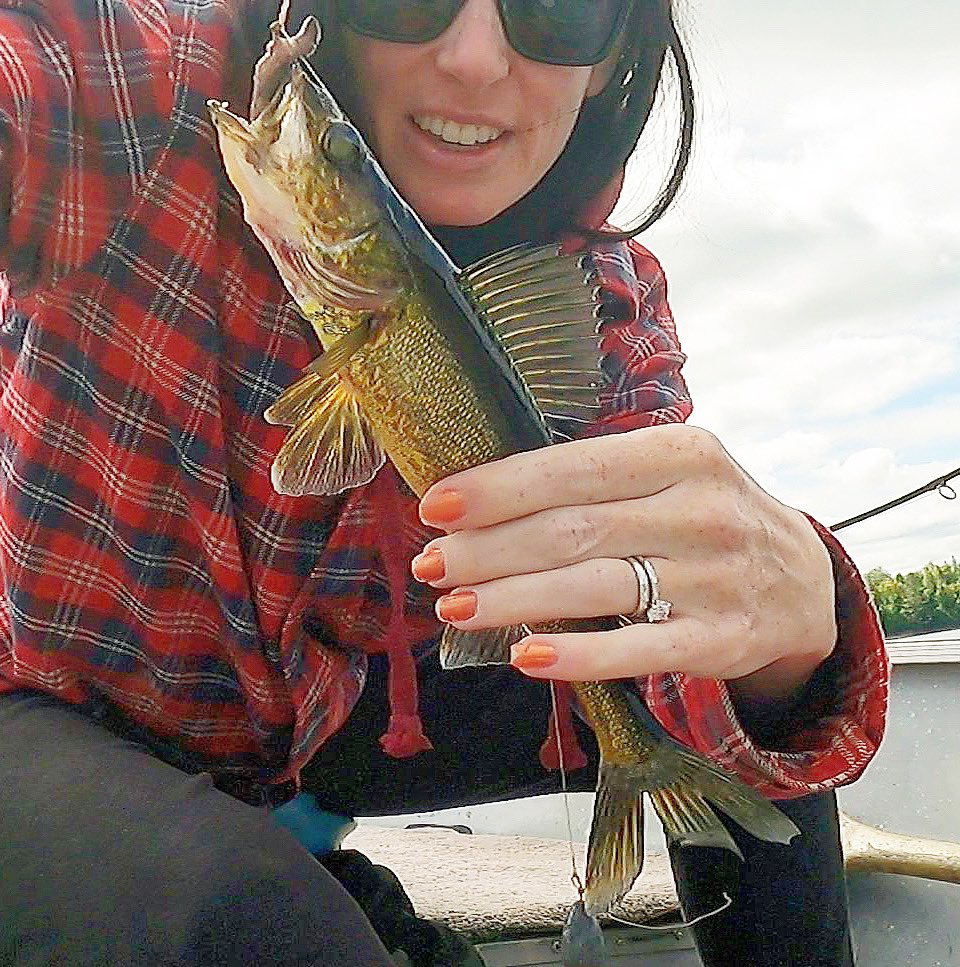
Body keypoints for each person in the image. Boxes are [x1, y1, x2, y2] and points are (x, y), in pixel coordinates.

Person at [0, 1, 888, 965]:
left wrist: (790, 626)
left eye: (558, 8)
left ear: (615, 52)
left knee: (742, 670)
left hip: (339, 725)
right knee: (253, 921)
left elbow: (683, 629)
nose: (473, 59)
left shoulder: (607, 302)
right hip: (48, 716)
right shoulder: (147, 89)